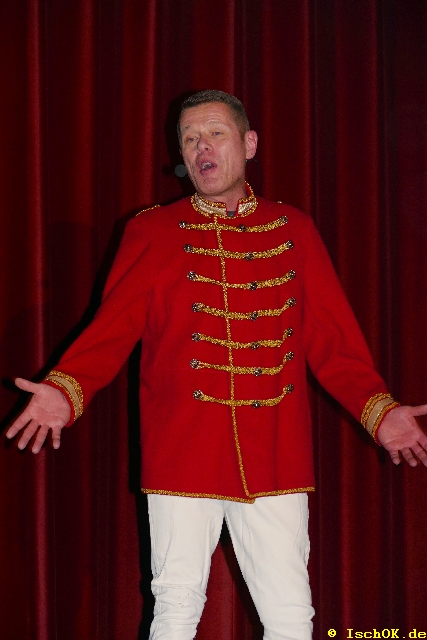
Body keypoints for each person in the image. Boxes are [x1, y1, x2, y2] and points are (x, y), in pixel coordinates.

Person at [6, 90, 427, 640]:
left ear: (248, 144)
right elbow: (111, 329)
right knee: (176, 609)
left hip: (275, 450)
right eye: (189, 139)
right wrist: (67, 388)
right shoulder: (153, 231)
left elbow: (334, 342)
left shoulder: (294, 229)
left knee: (291, 615)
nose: (201, 147)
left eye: (215, 133)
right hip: (182, 450)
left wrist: (380, 410)